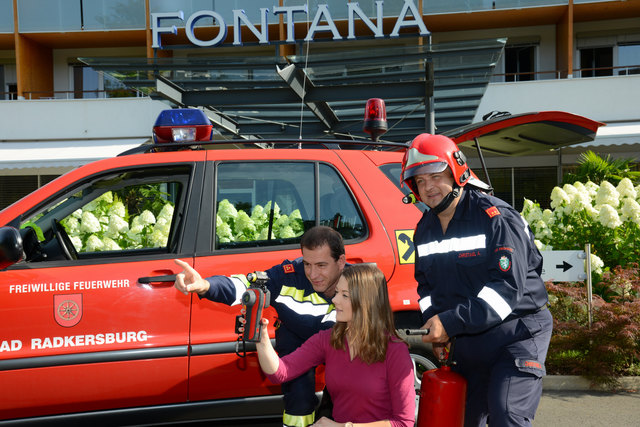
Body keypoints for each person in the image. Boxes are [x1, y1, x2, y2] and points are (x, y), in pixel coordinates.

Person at [400, 133, 553, 427]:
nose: (428, 187)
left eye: (435, 176)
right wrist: (435, 322)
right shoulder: (424, 229)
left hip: (517, 333)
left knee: (506, 414)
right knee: (465, 419)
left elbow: (505, 290)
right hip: (470, 340)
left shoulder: (495, 217)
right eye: (419, 181)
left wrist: (450, 323)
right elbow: (427, 287)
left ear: (456, 171)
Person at [174, 225, 345, 427]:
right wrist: (205, 285)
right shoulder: (288, 275)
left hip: (339, 345)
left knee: (347, 395)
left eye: (321, 265)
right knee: (298, 398)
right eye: (307, 264)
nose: (312, 273)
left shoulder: (357, 285)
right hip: (296, 341)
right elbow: (245, 286)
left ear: (340, 261)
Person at [256, 263, 415, 427]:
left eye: (345, 295)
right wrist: (261, 338)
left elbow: (404, 423)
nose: (334, 300)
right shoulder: (328, 339)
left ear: (367, 302)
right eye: (337, 292)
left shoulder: (395, 350)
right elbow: (280, 372)